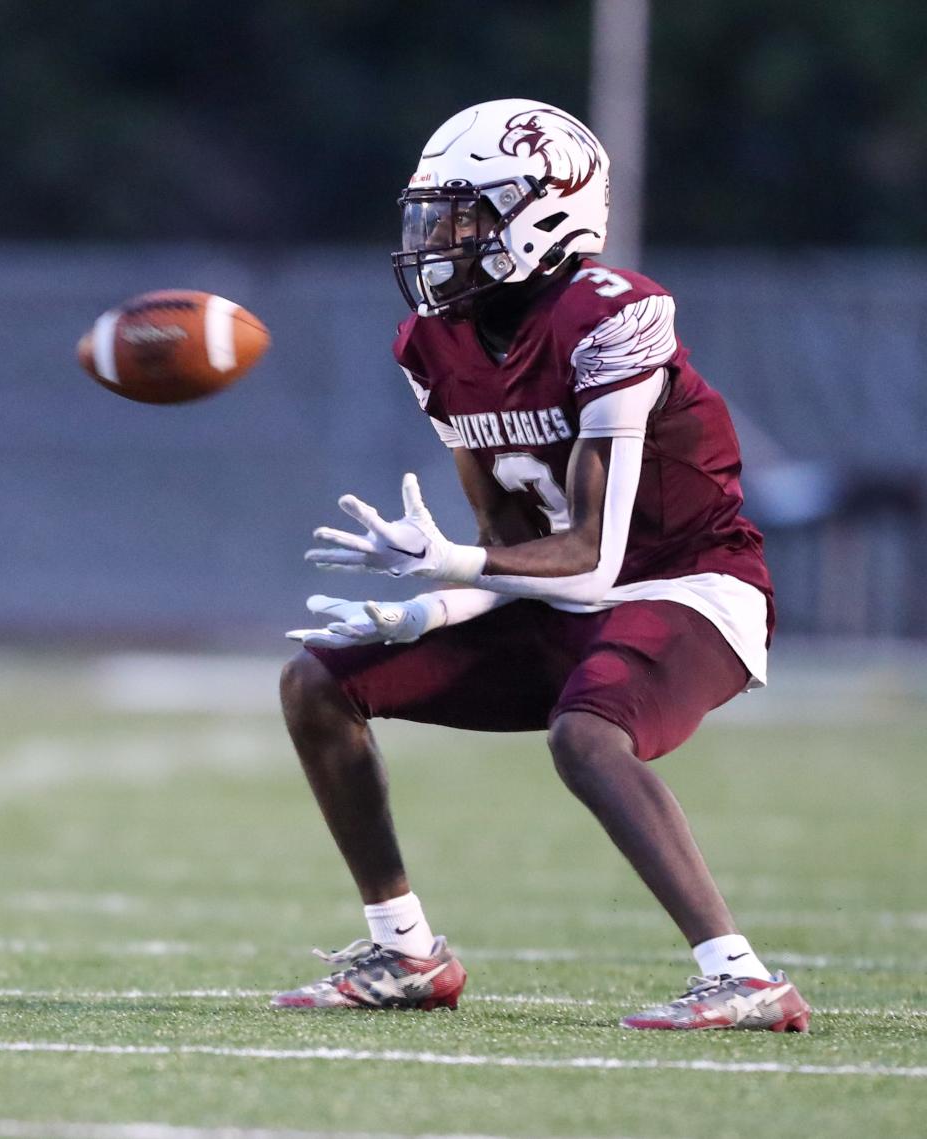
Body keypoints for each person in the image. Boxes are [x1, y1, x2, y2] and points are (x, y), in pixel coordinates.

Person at [272, 98, 810, 1032]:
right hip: (566, 595)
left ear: (547, 214)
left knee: (587, 733)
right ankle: (406, 951)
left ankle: (744, 977)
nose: (439, 237)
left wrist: (452, 562)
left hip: (691, 584)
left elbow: (598, 556)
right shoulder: (433, 344)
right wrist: (428, 609)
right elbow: (508, 544)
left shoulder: (612, 315)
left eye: (466, 215)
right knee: (316, 681)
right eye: (433, 215)